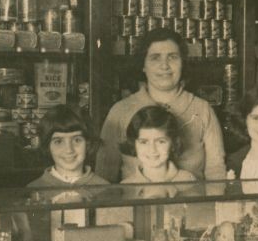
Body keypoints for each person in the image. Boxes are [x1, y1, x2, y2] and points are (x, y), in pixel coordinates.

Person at [97, 28, 226, 181]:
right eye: (155, 58)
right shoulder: (120, 111)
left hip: (190, 201)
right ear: (143, 65)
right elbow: (103, 176)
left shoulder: (202, 110)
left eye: (172, 57)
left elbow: (216, 172)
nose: (164, 66)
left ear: (183, 63)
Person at [27, 105, 109, 187]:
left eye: (77, 140)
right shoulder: (33, 190)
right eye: (58, 141)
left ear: (88, 143)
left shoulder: (104, 188)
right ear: (47, 146)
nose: (69, 150)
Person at [120, 106, 197, 184]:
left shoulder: (187, 180)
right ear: (133, 144)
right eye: (144, 142)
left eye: (161, 141)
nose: (152, 149)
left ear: (173, 144)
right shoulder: (127, 186)